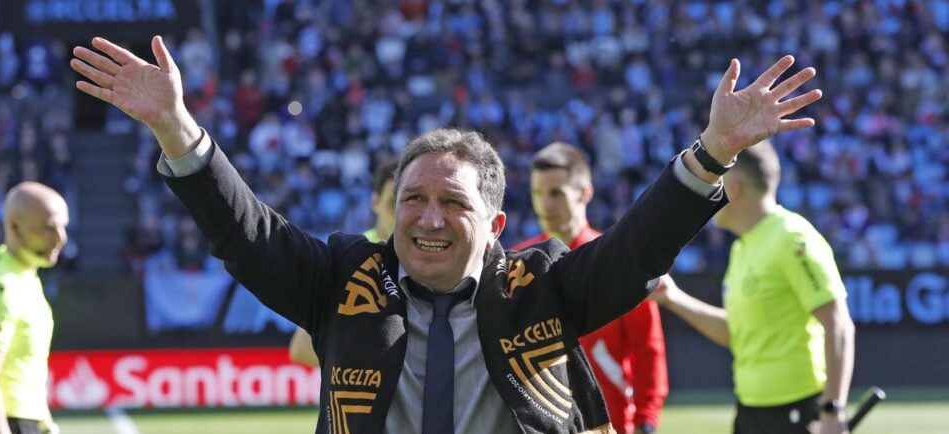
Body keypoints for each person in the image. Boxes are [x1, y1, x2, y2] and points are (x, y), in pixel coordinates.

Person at [71, 35, 821, 433]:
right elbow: (247, 235)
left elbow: (637, 250)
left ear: (495, 226)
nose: (427, 219)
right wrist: (176, 129)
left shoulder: (542, 285)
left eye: (451, 204)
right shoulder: (342, 279)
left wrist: (713, 152)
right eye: (413, 199)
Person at [651, 141, 855, 434]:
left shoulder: (793, 239)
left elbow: (839, 325)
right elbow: (740, 333)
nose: (710, 193)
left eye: (716, 182)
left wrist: (833, 410)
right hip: (750, 412)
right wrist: (673, 298)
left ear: (733, 188)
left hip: (796, 412)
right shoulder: (743, 247)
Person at [513, 143, 667, 434]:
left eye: (556, 193)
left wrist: (647, 420)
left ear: (585, 192)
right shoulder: (518, 265)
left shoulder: (619, 261)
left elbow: (648, 348)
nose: (545, 205)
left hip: (610, 422)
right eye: (537, 193)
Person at [0, 182, 69, 434]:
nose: (61, 238)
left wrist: (43, 422)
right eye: (49, 227)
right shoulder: (2, 285)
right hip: (1, 424)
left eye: (64, 226)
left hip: (19, 421)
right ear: (15, 225)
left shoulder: (20, 273)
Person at [289, 158, 399, 367]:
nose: (401, 215)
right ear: (375, 202)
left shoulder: (428, 259)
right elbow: (302, 349)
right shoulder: (348, 257)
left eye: (411, 201)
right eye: (393, 204)